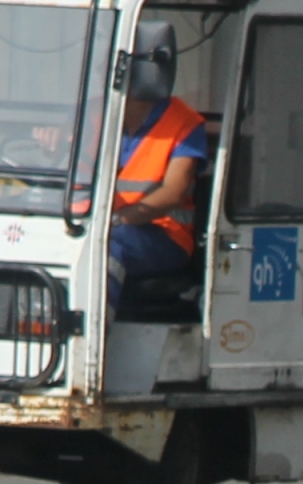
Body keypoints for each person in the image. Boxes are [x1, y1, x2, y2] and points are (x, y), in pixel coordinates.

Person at [108, 21, 206, 314]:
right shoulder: (98, 116)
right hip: (104, 224)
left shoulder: (184, 123)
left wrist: (118, 220)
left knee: (109, 244)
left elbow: (174, 192)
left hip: (165, 236)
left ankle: (91, 342)